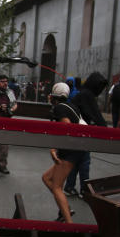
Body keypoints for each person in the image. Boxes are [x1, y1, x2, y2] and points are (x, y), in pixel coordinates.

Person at [42, 82, 84, 223]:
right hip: (76, 149)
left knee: (57, 186)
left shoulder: (59, 108)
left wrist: (54, 148)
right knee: (46, 178)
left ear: (55, 96)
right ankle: (66, 207)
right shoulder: (72, 106)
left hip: (69, 151)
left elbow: (66, 127)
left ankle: (69, 224)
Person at [64, 71, 108, 197]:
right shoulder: (87, 95)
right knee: (83, 162)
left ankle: (71, 187)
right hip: (80, 135)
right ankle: (84, 189)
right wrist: (105, 129)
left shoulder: (83, 94)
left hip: (77, 133)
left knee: (77, 161)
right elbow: (96, 115)